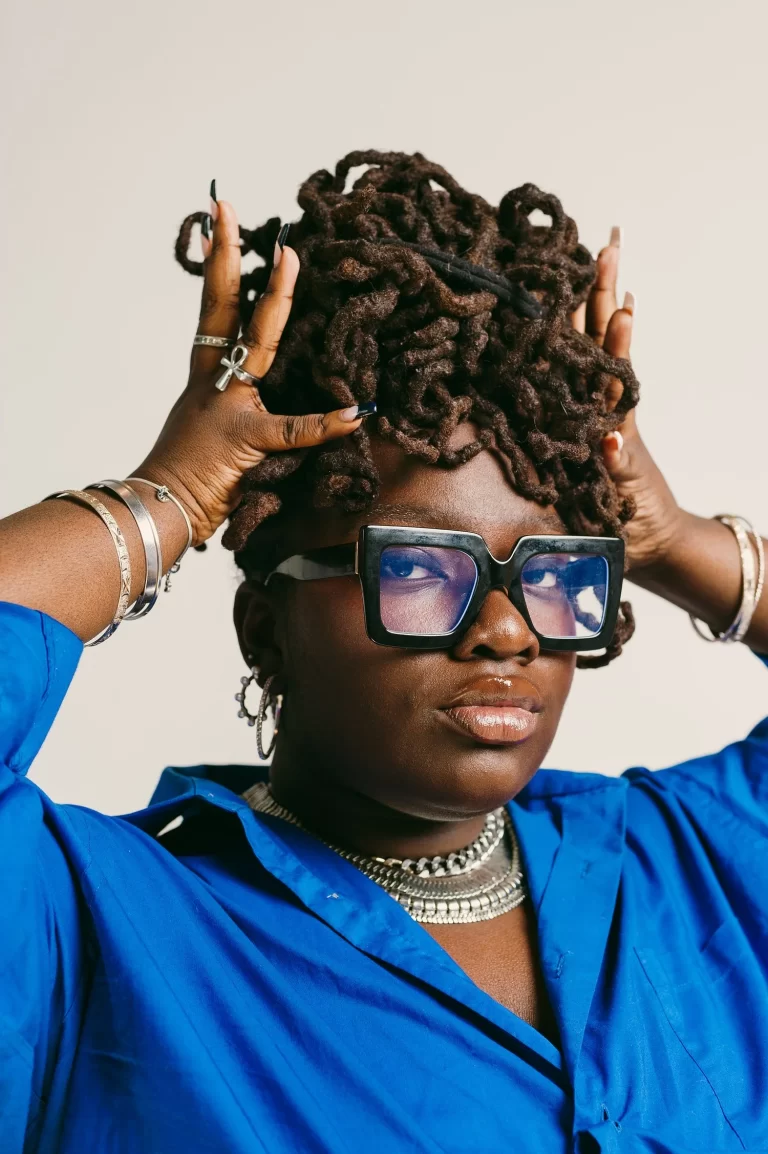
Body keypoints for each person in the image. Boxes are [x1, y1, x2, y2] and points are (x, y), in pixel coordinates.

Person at [1, 149, 766, 1154]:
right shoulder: (95, 923)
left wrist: (673, 537)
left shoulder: (686, 858)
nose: (507, 628)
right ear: (266, 627)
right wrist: (166, 503)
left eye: (554, 571)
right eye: (419, 569)